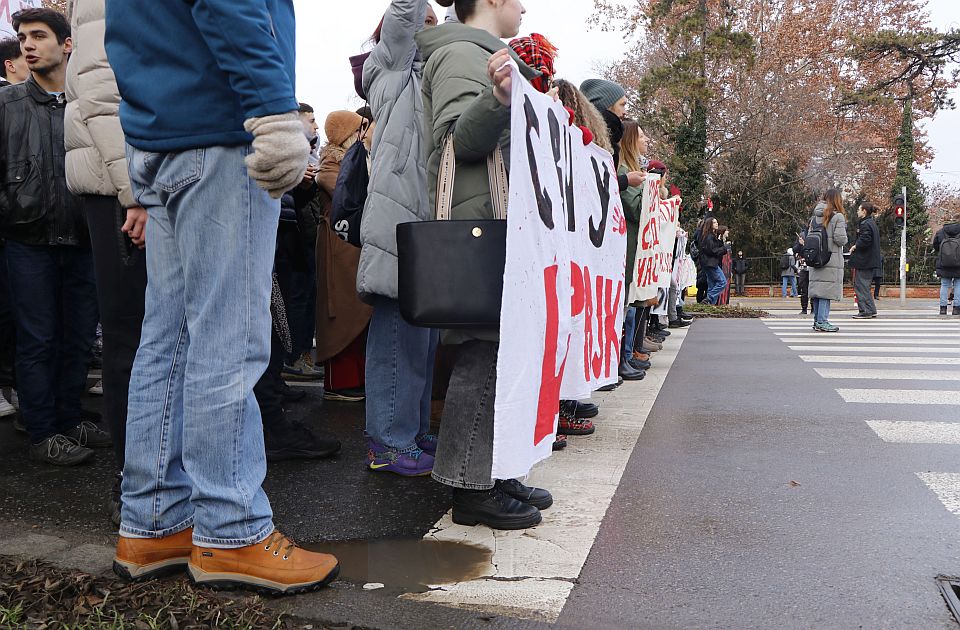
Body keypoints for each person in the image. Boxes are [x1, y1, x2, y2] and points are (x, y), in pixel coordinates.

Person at [105, 0, 339, 592]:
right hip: (219, 131)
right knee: (227, 343)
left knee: (169, 340)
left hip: (163, 131)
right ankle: (231, 532)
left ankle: (153, 522)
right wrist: (272, 110)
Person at [422, 0, 552, 530]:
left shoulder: (486, 54)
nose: (524, 7)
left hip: (494, 222)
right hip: (480, 223)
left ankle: (491, 472)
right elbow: (456, 141)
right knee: (483, 352)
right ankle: (471, 485)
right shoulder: (460, 52)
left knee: (499, 351)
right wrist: (500, 100)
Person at [1, 8, 108, 466]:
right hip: (27, 239)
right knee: (38, 338)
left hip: (84, 238)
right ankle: (43, 430)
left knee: (78, 337)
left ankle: (68, 418)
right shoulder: (6, 105)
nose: (28, 43)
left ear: (67, 44)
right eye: (23, 36)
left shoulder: (86, 104)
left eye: (39, 35)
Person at [65, 0, 147, 519]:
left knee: (147, 338)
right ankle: (134, 484)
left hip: (136, 182)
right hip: (124, 188)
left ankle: (151, 478)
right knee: (132, 340)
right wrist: (134, 192)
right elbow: (100, 92)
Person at [358, 0, 440, 476]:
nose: (431, 30)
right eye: (423, 23)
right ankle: (388, 440)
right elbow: (404, 16)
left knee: (423, 335)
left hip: (425, 218)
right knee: (397, 329)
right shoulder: (388, 68)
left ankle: (410, 429)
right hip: (395, 217)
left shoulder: (434, 78)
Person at [316, 110, 373, 401]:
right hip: (338, 247)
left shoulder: (348, 162)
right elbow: (346, 195)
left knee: (358, 313)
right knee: (341, 312)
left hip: (350, 245)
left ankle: (356, 376)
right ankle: (339, 381)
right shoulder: (330, 165)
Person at [617, 119, 648, 382]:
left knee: (631, 304)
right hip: (625, 245)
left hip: (633, 245)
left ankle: (627, 355)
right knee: (623, 305)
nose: (647, 140)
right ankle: (621, 358)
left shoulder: (633, 169)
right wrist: (647, 191)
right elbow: (636, 209)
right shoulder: (623, 169)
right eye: (642, 137)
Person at [808, 189, 848, 332]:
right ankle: (822, 321)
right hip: (830, 259)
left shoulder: (814, 218)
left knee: (819, 291)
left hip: (815, 258)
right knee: (826, 291)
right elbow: (840, 239)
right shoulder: (837, 217)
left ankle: (817, 320)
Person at [848, 201, 881, 319]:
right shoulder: (871, 223)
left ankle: (865, 310)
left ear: (864, 211)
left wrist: (855, 246)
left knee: (861, 286)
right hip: (870, 260)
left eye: (859, 209)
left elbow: (865, 239)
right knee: (865, 286)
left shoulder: (865, 224)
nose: (857, 211)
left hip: (864, 261)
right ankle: (871, 309)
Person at [933, 216, 960, 316]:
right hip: (959, 264)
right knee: (958, 285)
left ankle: (943, 309)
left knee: (944, 285)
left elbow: (935, 245)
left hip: (944, 263)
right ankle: (957, 309)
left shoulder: (940, 232)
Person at [698, 217, 728, 305]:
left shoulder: (710, 236)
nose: (717, 224)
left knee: (712, 284)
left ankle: (710, 305)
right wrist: (724, 248)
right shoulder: (709, 237)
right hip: (711, 263)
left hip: (708, 263)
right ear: (710, 225)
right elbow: (712, 250)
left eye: (717, 222)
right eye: (714, 222)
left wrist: (721, 241)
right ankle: (709, 299)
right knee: (722, 282)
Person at [793, 231, 810, 315]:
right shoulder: (802, 235)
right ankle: (804, 309)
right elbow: (794, 250)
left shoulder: (817, 234)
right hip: (803, 267)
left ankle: (814, 309)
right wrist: (800, 244)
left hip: (813, 267)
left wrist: (804, 245)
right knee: (804, 289)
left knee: (813, 290)